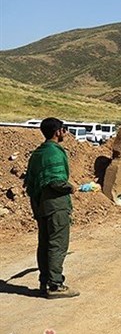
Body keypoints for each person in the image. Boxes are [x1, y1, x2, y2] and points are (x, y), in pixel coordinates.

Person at [24, 117, 79, 298]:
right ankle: (55, 285)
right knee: (57, 244)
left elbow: (31, 181)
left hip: (40, 205)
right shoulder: (53, 153)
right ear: (58, 132)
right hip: (56, 205)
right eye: (64, 129)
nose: (66, 132)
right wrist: (71, 187)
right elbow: (55, 181)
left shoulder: (38, 153)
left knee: (45, 243)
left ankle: (44, 281)